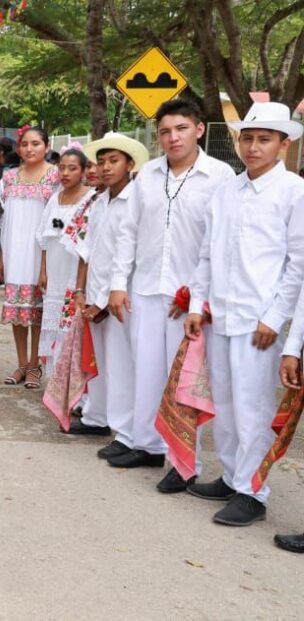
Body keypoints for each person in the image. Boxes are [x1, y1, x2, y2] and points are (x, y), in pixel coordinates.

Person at [188, 102, 304, 527]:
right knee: (225, 401)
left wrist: (274, 317)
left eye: (264, 139)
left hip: (259, 321)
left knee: (252, 406)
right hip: (220, 313)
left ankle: (253, 492)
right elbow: (206, 253)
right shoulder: (227, 190)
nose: (253, 147)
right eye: (248, 138)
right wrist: (199, 304)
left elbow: (297, 265)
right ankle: (234, 476)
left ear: (284, 143)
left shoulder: (294, 191)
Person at [107, 99, 236, 480]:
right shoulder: (147, 174)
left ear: (199, 129)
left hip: (189, 297)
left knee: (183, 378)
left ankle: (184, 463)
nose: (172, 137)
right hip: (145, 287)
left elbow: (221, 244)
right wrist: (118, 284)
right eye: (165, 131)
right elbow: (127, 231)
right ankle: (146, 445)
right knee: (145, 371)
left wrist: (200, 296)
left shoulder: (221, 176)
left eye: (180, 129)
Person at [76, 133, 149, 453]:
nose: (105, 168)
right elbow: (91, 250)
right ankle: (97, 416)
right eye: (102, 161)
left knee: (121, 365)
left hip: (120, 297)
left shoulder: (135, 200)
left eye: (113, 161)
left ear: (130, 165)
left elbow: (128, 253)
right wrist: (85, 293)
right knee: (100, 360)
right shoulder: (100, 200)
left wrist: (107, 299)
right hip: (96, 293)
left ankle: (125, 431)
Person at [0, 126, 59, 389]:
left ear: (46, 146)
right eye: (25, 144)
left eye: (36, 143)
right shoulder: (9, 178)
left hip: (41, 253)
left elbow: (55, 222)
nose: (30, 149)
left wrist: (47, 261)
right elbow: (3, 221)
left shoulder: (55, 177)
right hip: (14, 250)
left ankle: (36, 365)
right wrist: (2, 256)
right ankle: (22, 363)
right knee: (18, 314)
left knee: (38, 314)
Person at [37, 147, 95, 380]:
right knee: (54, 323)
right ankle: (55, 381)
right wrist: (43, 270)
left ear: (82, 171)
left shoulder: (91, 199)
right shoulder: (55, 198)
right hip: (55, 268)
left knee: (72, 327)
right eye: (62, 168)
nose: (66, 173)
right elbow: (44, 237)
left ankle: (73, 384)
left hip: (75, 272)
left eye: (72, 168)